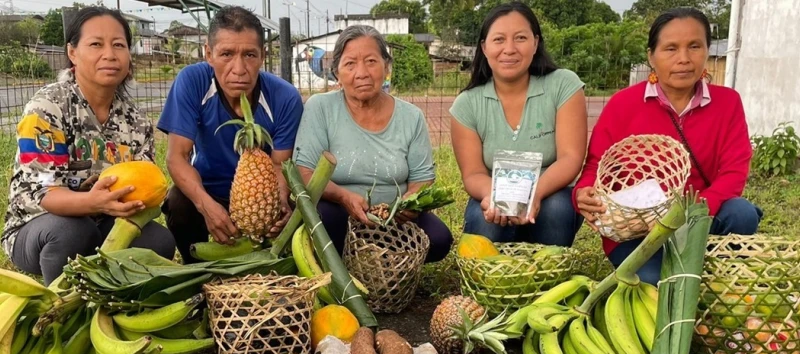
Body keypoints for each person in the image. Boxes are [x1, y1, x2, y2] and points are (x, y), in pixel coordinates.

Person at [573, 7, 762, 285]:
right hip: (639, 231)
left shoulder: (727, 102)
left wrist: (683, 215)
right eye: (671, 48)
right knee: (656, 285)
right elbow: (595, 167)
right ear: (651, 56)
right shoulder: (623, 104)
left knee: (741, 213)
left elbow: (734, 174)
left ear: (707, 50)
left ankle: (714, 275)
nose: (683, 58)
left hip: (700, 221)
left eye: (694, 46)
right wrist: (583, 193)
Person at [1, 6, 175, 285]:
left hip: (104, 222)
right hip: (40, 225)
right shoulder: (47, 108)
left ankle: (112, 297)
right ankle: (59, 303)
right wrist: (92, 201)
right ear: (72, 52)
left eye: (118, 45)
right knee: (73, 232)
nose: (110, 54)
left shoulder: (137, 121)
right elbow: (42, 193)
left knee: (158, 241)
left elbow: (143, 184)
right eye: (96, 44)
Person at [293, 25, 453, 263]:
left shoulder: (411, 116)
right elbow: (304, 172)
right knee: (324, 220)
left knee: (439, 239)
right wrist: (344, 197)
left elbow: (422, 178)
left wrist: (408, 203)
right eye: (350, 64)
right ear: (336, 72)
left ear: (386, 67)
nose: (362, 73)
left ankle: (382, 266)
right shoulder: (320, 107)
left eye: (371, 61)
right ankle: (346, 267)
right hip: (339, 213)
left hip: (394, 217)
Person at [158, 6, 303, 262]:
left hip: (262, 194)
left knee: (296, 216)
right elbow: (177, 157)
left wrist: (280, 200)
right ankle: (196, 269)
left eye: (250, 55)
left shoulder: (285, 97)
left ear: (263, 56)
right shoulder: (193, 81)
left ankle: (269, 269)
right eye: (226, 54)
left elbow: (280, 165)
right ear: (209, 54)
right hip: (208, 189)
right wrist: (205, 205)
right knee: (178, 202)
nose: (239, 68)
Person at [450, 2, 588, 247]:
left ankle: (547, 268)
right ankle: (492, 271)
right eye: (499, 39)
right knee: (483, 220)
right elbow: (473, 174)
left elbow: (570, 158)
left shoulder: (563, 85)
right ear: (484, 47)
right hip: (495, 191)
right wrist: (496, 197)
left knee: (556, 210)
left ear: (535, 43)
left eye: (520, 38)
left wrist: (534, 195)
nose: (509, 49)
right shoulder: (467, 104)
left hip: (550, 192)